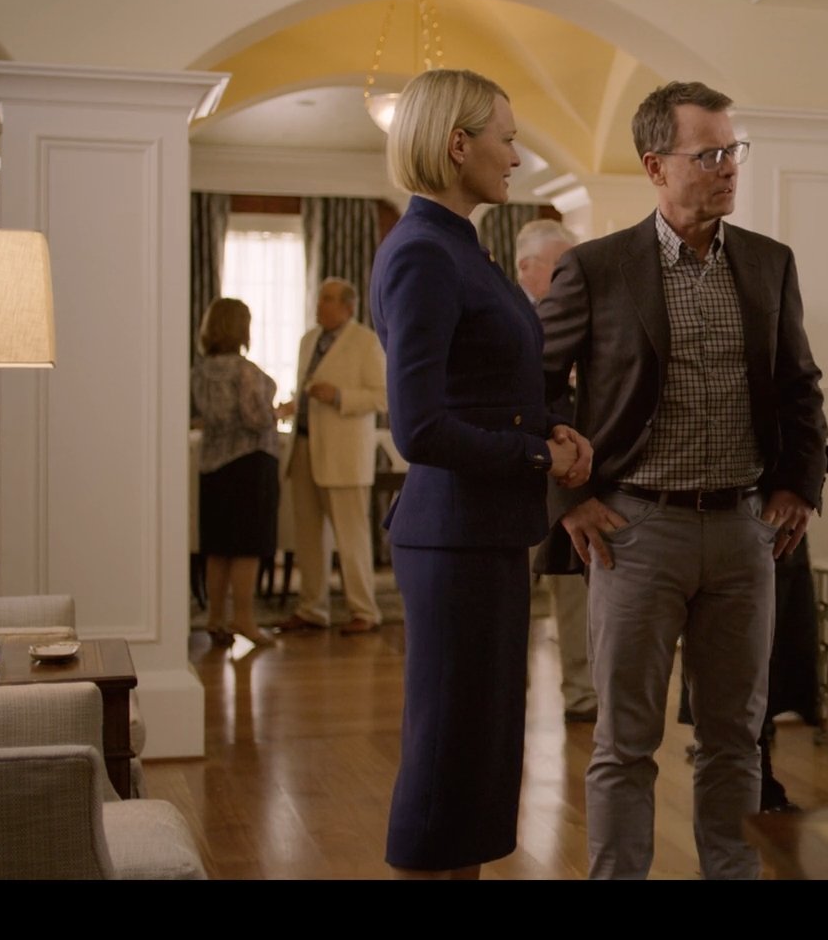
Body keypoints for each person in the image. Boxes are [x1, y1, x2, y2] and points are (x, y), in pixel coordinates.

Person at [539, 81, 827, 880]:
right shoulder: (597, 268)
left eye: (733, 151)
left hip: (743, 532)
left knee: (737, 737)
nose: (728, 167)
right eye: (709, 154)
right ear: (655, 166)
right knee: (625, 740)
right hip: (635, 531)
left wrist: (798, 485)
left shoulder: (768, 263)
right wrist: (571, 498)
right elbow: (538, 385)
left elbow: (800, 387)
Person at [370, 67, 593, 879]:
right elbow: (420, 426)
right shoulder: (423, 253)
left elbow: (486, 387)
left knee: (473, 766)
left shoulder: (458, 247)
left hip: (484, 532)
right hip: (453, 538)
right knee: (447, 768)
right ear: (458, 145)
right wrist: (538, 455)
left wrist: (547, 424)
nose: (517, 156)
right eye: (507, 138)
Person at [513, 218, 596, 724]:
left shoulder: (580, 315)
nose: (572, 275)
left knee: (574, 587)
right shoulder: (508, 315)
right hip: (519, 475)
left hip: (571, 476)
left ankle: (583, 694)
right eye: (561, 266)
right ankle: (509, 693)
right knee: (514, 593)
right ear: (527, 267)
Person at [275, 278, 388, 635]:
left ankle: (364, 611)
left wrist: (339, 396)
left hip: (344, 455)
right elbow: (307, 390)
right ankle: (312, 608)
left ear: (348, 307)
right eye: (320, 298)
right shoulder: (308, 340)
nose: (319, 305)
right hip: (303, 448)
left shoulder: (366, 342)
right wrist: (293, 406)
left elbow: (383, 396)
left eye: (328, 299)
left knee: (351, 537)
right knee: (308, 536)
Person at [190, 297, 280, 649]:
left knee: (218, 546)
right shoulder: (245, 371)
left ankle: (215, 618)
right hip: (249, 463)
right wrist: (280, 411)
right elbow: (256, 418)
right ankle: (243, 618)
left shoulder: (200, 371)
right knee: (247, 545)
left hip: (213, 464)